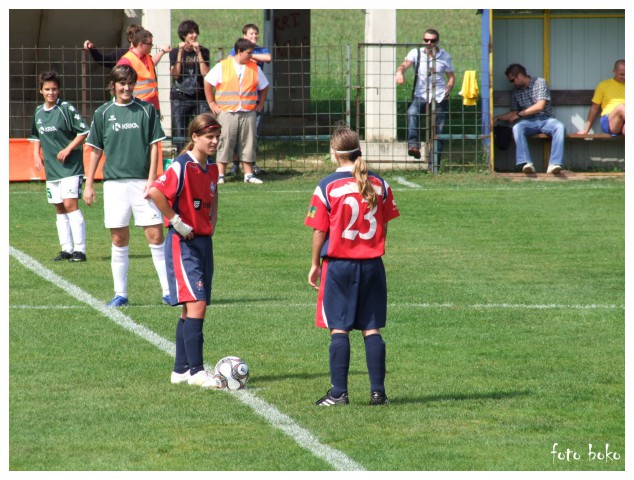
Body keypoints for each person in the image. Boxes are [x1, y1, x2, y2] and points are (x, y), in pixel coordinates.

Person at [305, 126, 400, 406]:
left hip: (340, 265)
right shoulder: (379, 184)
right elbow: (383, 223)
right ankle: (377, 393)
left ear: (334, 153)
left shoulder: (327, 186)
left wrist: (314, 264)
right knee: (371, 328)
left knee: (339, 327)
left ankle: (338, 393)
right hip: (372, 264)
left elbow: (319, 231)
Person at [83, 65, 170, 307]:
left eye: (130, 83)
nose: (126, 87)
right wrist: (89, 183)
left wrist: (152, 178)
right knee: (119, 239)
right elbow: (96, 150)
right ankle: (120, 294)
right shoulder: (102, 113)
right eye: (122, 83)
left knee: (155, 236)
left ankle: (167, 292)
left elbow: (155, 146)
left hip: (143, 183)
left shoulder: (146, 110)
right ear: (113, 85)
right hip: (114, 186)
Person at [148, 113, 223, 389]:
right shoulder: (181, 166)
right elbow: (155, 192)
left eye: (217, 137)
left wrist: (212, 220)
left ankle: (180, 370)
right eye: (209, 137)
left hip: (203, 244)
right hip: (184, 245)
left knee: (189, 308)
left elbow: (213, 197)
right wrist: (176, 221)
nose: (214, 141)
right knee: (197, 304)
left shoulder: (211, 169)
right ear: (194, 137)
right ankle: (197, 371)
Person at [29, 71, 89, 262]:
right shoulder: (38, 112)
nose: (51, 92)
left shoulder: (66, 109)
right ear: (41, 91)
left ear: (59, 90)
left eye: (54, 89)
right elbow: (35, 136)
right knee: (59, 208)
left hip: (70, 167)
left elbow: (84, 131)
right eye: (47, 89)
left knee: (71, 205)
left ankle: (80, 250)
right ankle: (66, 249)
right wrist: (36, 156)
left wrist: (68, 149)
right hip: (52, 170)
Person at [204, 38, 269, 184]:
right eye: (248, 53)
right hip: (227, 112)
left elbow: (265, 86)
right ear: (239, 52)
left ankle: (248, 174)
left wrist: (261, 103)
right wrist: (212, 103)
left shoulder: (255, 68)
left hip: (248, 111)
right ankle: (220, 174)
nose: (251, 56)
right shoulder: (223, 66)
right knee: (225, 141)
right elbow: (208, 81)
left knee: (249, 142)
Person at [396, 29, 455, 164]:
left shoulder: (445, 56)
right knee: (412, 112)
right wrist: (399, 73)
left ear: (437, 41)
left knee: (438, 130)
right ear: (423, 41)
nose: (429, 43)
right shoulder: (416, 53)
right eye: (426, 40)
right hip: (421, 94)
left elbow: (451, 77)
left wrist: (448, 89)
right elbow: (404, 65)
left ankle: (435, 164)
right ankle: (414, 145)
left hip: (439, 96)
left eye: (432, 41)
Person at [493, 64, 565, 174]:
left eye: (512, 80)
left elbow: (539, 106)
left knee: (560, 127)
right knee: (517, 127)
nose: (511, 84)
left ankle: (554, 164)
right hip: (529, 121)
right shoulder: (516, 91)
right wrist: (498, 118)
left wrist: (520, 114)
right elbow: (513, 112)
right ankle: (527, 163)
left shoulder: (539, 82)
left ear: (520, 75)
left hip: (546, 119)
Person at [227, 23, 271, 177]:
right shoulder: (236, 50)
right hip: (237, 103)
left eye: (256, 34)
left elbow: (268, 58)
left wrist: (248, 54)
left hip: (254, 101)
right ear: (244, 36)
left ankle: (252, 164)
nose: (254, 36)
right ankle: (235, 164)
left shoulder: (260, 50)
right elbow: (229, 61)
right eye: (251, 34)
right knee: (235, 135)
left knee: (253, 136)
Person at [169, 20, 211, 153]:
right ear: (184, 36)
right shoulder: (175, 52)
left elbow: (206, 74)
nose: (194, 36)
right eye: (190, 33)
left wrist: (198, 53)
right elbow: (175, 75)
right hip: (180, 97)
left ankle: (204, 157)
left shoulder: (203, 51)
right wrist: (181, 52)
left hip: (199, 96)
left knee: (205, 127)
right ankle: (181, 158)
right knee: (180, 133)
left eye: (195, 32)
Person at [117, 29, 169, 114]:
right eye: (149, 44)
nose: (152, 45)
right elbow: (119, 85)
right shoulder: (126, 61)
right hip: (136, 107)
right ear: (141, 44)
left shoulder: (147, 57)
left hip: (153, 105)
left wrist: (162, 52)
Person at [577, 59, 625, 136]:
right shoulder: (603, 85)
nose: (624, 77)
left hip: (624, 121)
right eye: (622, 74)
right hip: (608, 121)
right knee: (621, 107)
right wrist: (586, 129)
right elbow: (594, 108)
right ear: (614, 71)